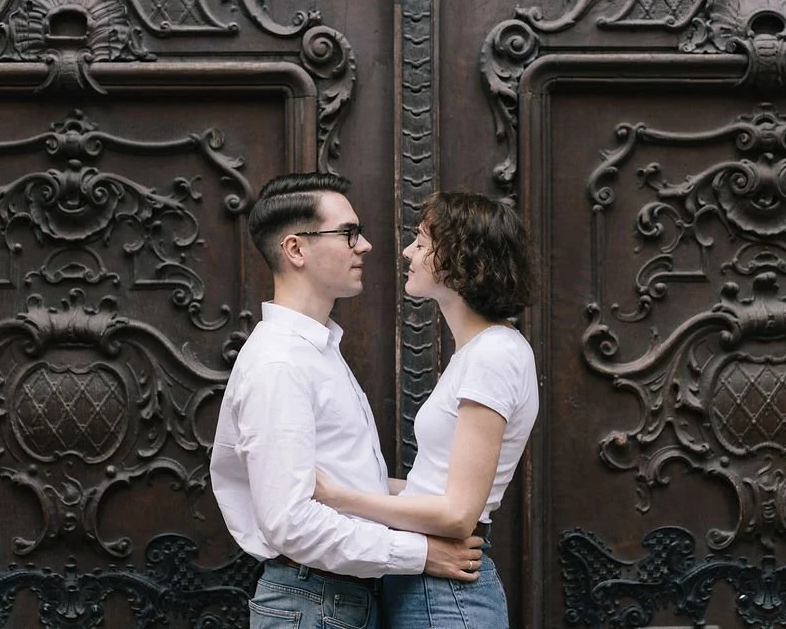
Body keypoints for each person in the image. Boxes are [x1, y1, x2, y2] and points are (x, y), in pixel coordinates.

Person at [210, 172, 484, 629]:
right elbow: (290, 522)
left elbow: (342, 483)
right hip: (315, 600)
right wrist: (420, 553)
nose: (366, 246)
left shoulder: (314, 351)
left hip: (334, 600)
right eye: (348, 233)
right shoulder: (280, 363)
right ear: (295, 249)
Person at [315, 190, 539, 628]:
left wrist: (337, 495)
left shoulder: (494, 355)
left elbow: (457, 515)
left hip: (446, 595)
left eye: (420, 242)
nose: (407, 251)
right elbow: (431, 489)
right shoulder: (480, 352)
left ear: (462, 259)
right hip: (425, 582)